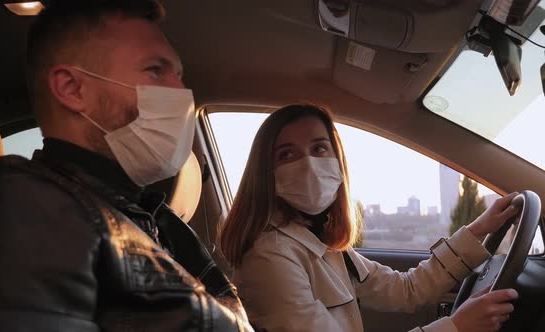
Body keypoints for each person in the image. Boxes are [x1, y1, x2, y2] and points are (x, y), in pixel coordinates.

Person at [0, 1, 252, 331]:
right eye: (155, 70)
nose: (181, 91)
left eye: (178, 75)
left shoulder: (160, 220)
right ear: (72, 89)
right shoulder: (15, 202)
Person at [219, 104, 519, 332]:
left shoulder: (320, 241)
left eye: (319, 148)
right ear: (265, 173)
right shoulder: (269, 255)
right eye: (286, 154)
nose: (308, 164)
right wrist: (456, 326)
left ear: (336, 160)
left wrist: (479, 228)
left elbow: (406, 290)